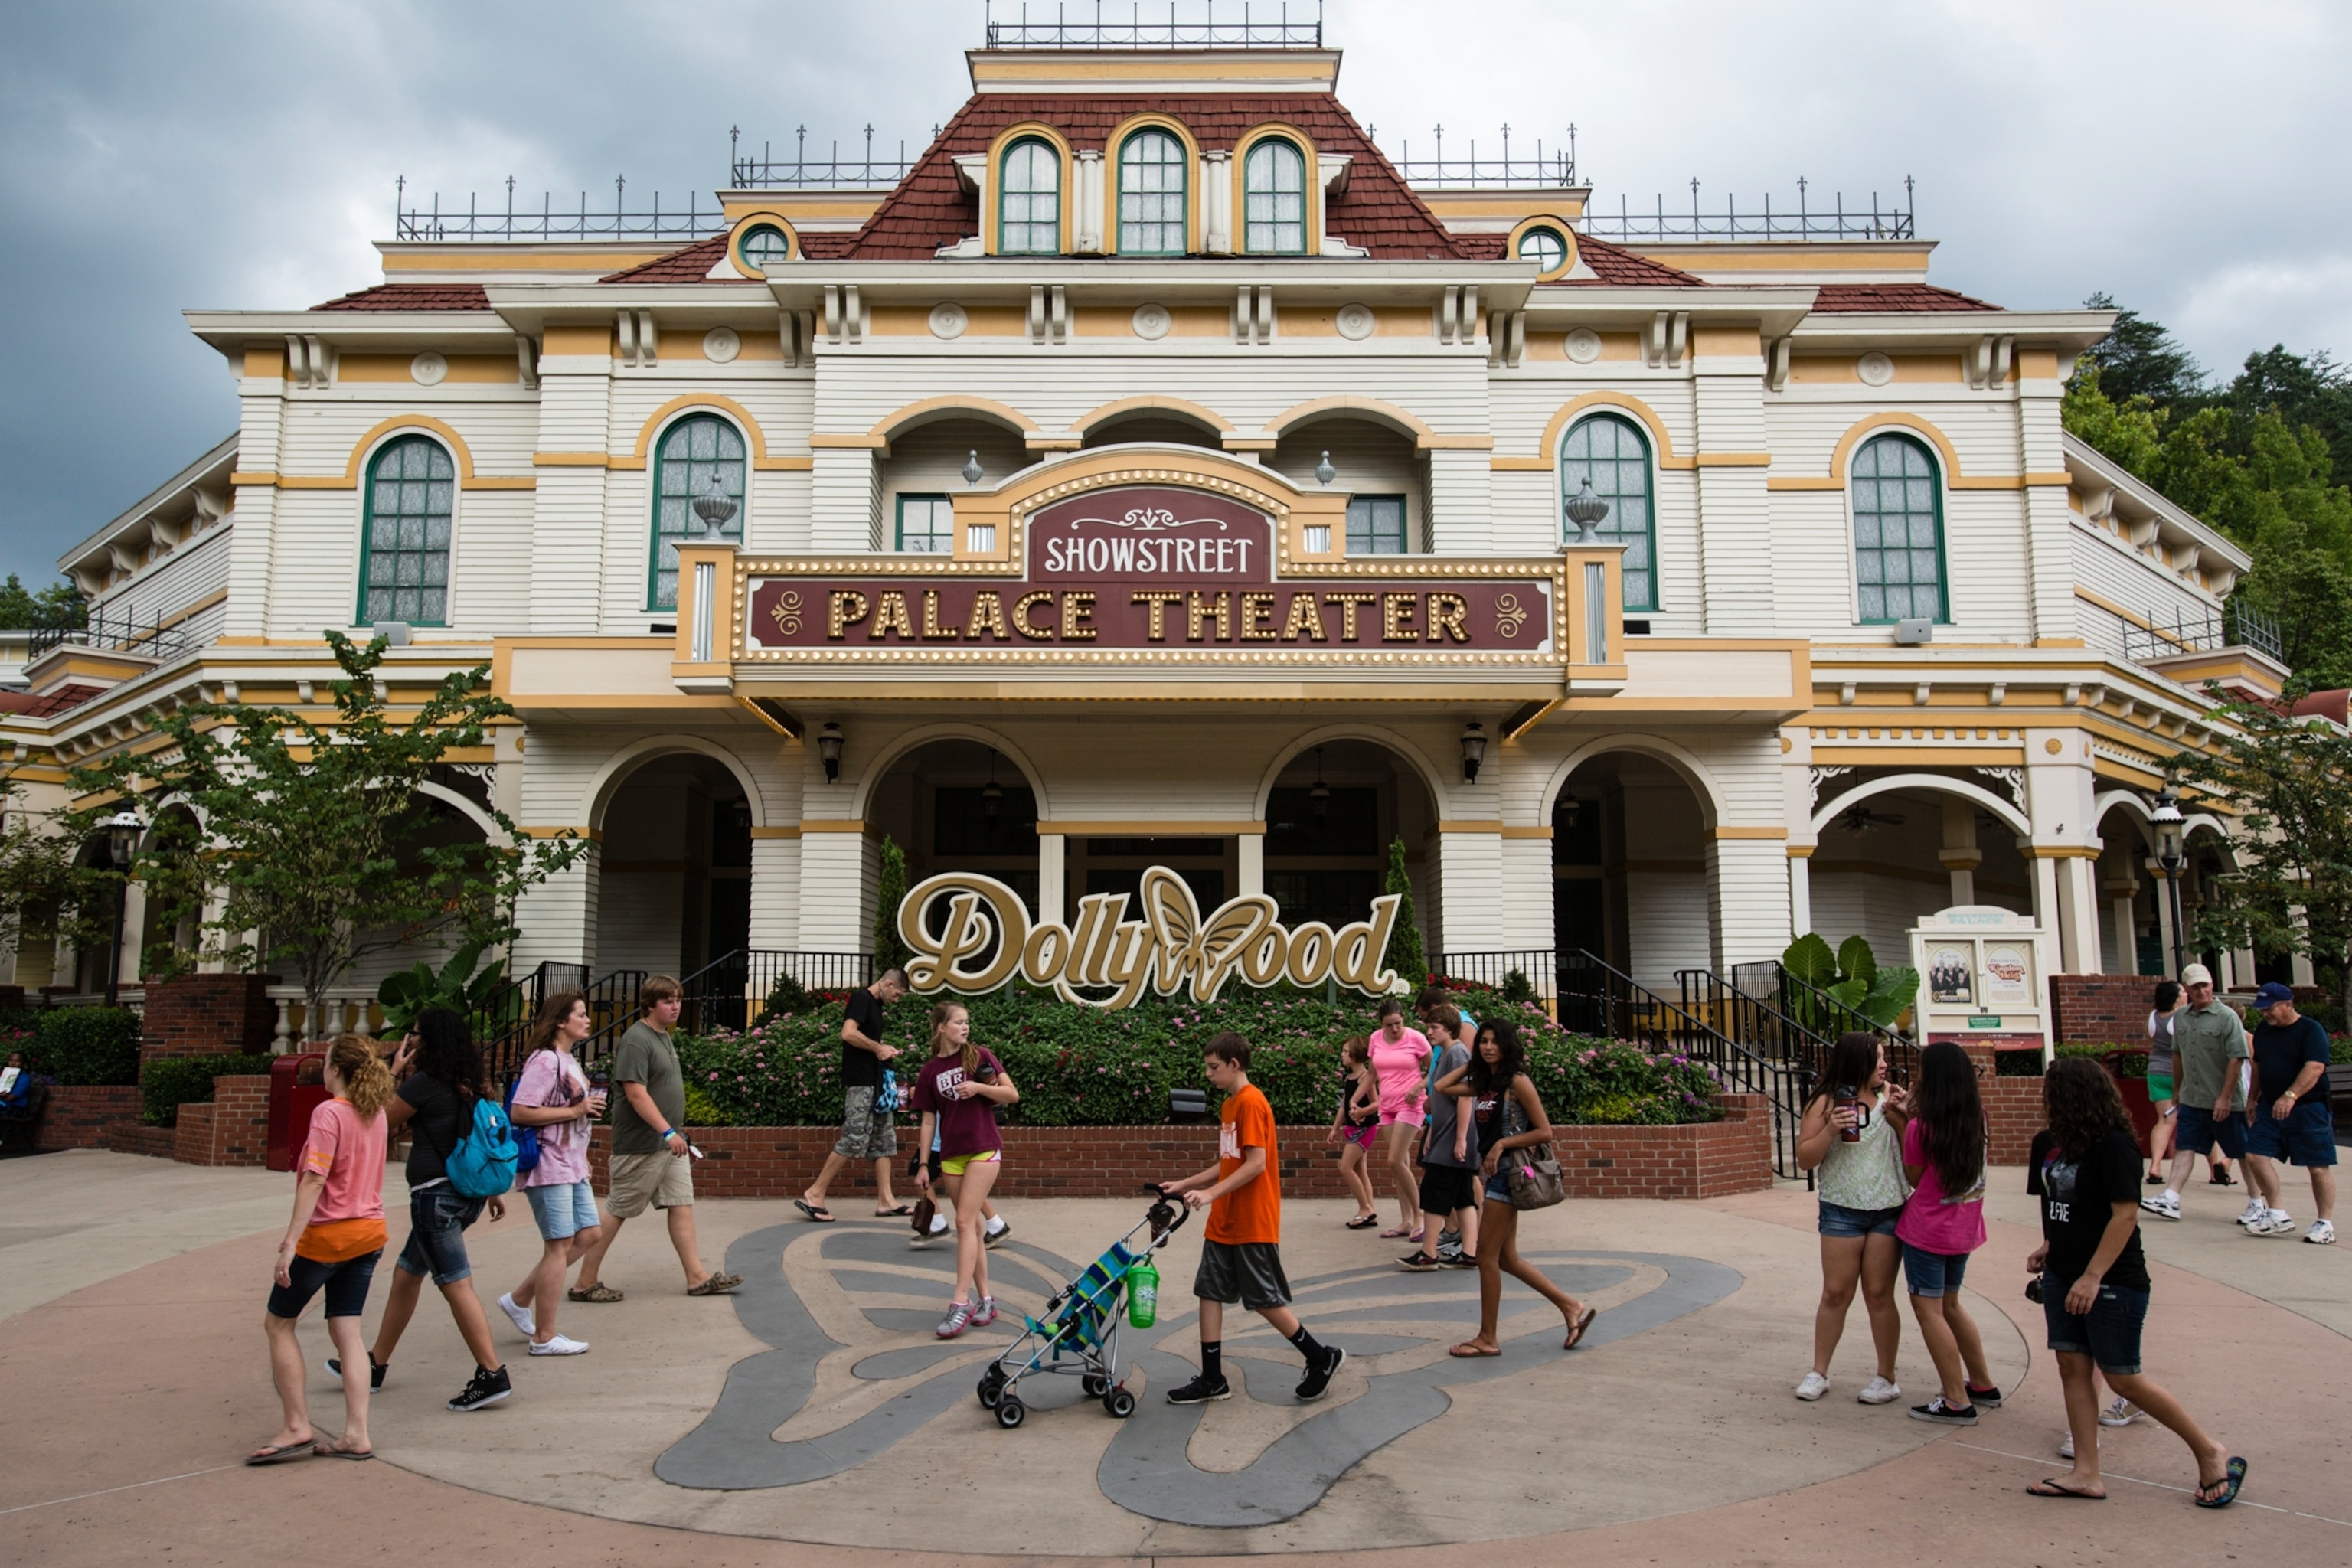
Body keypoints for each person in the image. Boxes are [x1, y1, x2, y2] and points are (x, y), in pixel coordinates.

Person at [2023, 1057, 2246, 1506]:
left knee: (2124, 1379)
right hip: (2064, 1273)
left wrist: (2092, 1275)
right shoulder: (2050, 1145)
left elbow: (2124, 1216)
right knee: (2072, 1368)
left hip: (2111, 1280)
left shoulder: (2115, 1146)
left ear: (2071, 1097)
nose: (2045, 1101)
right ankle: (2086, 1472)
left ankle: (2209, 1451)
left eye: (2052, 1093)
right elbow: (2058, 1204)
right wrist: (2050, 1245)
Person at [1157, 1032, 1347, 1403]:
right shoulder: (1230, 1106)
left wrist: (1210, 1194)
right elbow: (1229, 1162)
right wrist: (1185, 1184)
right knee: (1209, 1291)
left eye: (1213, 1068)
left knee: (1263, 1299)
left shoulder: (1251, 1103)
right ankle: (1213, 1378)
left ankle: (1321, 1357)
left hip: (1251, 1219)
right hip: (1224, 1220)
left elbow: (1256, 1164)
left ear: (1234, 1065)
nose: (1208, 1074)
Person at [354, 1008, 514, 1413]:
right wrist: (490, 1191)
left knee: (456, 1285)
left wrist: (392, 1071)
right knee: (407, 1276)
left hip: (434, 1200)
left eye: (417, 1034)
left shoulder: (424, 1083)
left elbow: (373, 1122)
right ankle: (375, 1364)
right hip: (464, 1197)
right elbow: (482, 1139)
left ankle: (492, 1373)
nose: (413, 1039)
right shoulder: (472, 1084)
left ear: (429, 1040)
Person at [251, 1036, 393, 1464]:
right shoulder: (376, 1113)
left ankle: (296, 1424)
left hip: (328, 1236)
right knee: (348, 1331)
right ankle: (356, 1433)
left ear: (337, 1069)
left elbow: (315, 1178)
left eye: (327, 1061)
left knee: (278, 1325)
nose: (323, 1068)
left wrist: (290, 1242)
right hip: (369, 1234)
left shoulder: (329, 1112)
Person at [571, 977, 741, 1299]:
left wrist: (674, 1134)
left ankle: (697, 1277)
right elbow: (636, 1094)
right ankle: (584, 1283)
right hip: (642, 1145)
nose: (675, 1006)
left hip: (670, 1144)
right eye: (667, 1001)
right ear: (650, 1005)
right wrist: (666, 1131)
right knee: (618, 1209)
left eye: (678, 999)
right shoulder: (637, 1040)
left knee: (681, 1204)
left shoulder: (664, 1037)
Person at [1440, 1019, 1596, 1356]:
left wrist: (1501, 1145)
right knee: (1507, 1259)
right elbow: (1442, 1087)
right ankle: (1570, 1306)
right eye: (1483, 1041)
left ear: (1508, 1045)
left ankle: (1488, 1338)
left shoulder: (1517, 1082)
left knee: (1485, 1256)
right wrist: (1473, 1062)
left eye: (1495, 1042)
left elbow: (1545, 1132)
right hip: (1496, 1174)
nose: (1488, 1047)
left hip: (1509, 1174)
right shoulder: (1486, 1084)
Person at [1792, 1031, 1912, 1404]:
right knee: (1835, 1293)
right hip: (1841, 1209)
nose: (1884, 1063)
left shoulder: (1891, 1098)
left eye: (1884, 1057)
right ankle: (1819, 1372)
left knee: (1879, 1294)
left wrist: (1904, 1119)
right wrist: (1831, 1128)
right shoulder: (1825, 1101)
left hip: (1888, 1209)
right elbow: (1805, 1158)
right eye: (1877, 1057)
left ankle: (1886, 1378)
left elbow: (1914, 1156)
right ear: (1857, 1060)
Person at [495, 991, 609, 1354]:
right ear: (560, 1021)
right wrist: (576, 1111)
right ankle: (544, 1336)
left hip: (571, 1162)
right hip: (548, 1163)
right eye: (579, 1014)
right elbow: (520, 1112)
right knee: (558, 1244)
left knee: (590, 1234)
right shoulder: (545, 1061)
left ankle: (519, 1299)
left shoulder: (567, 1060)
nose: (587, 1019)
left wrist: (581, 1122)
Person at [1896, 1040, 1999, 1425]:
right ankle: (1982, 1383)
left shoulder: (1921, 1129)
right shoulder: (1979, 1119)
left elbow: (1914, 1178)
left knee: (1929, 1311)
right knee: (1952, 1305)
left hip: (1926, 1233)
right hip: (1963, 1230)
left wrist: (1902, 1121)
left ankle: (1955, 1399)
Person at [910, 1001, 1018, 1336]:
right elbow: (928, 1121)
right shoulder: (929, 1072)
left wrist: (979, 1088)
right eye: (958, 1022)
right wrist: (925, 1163)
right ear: (942, 1027)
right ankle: (986, 1298)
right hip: (951, 1155)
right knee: (969, 1226)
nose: (965, 1027)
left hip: (984, 1148)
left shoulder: (980, 1056)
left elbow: (1011, 1095)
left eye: (967, 1022)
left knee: (961, 1221)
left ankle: (960, 1301)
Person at [2140, 964, 2250, 1224]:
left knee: (2242, 1151)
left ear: (2212, 985)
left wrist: (2225, 1097)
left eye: (2206, 985)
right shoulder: (2181, 1018)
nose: (2202, 991)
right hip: (2193, 1098)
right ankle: (2171, 1197)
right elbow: (2177, 1054)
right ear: (2186, 990)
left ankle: (2257, 1202)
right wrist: (2178, 1089)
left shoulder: (2227, 1017)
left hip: (2225, 1101)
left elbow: (2237, 1058)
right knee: (2185, 1146)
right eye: (2196, 987)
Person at [799, 967, 910, 1223]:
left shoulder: (875, 1004)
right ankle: (814, 1194)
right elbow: (848, 1033)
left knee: (884, 1138)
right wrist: (878, 1048)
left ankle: (886, 1201)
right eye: (898, 994)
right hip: (861, 1083)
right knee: (853, 1137)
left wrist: (883, 1050)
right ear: (889, 983)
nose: (897, 1000)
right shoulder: (862, 999)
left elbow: (867, 1042)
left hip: (876, 1082)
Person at [2240, 981, 2336, 1243]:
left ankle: (2324, 1223)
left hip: (2309, 1107)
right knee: (2255, 1154)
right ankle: (2277, 1213)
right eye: (2261, 1009)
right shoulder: (2263, 1031)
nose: (2265, 1014)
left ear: (2288, 1005)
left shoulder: (2310, 1030)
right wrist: (2252, 1098)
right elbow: (2258, 1067)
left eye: (2269, 1008)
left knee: (2317, 1167)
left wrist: (2290, 1096)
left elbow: (2315, 1068)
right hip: (2269, 1105)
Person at [1402, 1007, 1479, 1272]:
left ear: (1449, 1027)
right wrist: (1432, 1133)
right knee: (1462, 1196)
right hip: (1445, 1135)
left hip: (1452, 1141)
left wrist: (1460, 1140)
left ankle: (1428, 1252)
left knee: (1434, 1193)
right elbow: (1441, 1102)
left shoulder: (1457, 1053)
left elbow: (1466, 1097)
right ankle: (1469, 1252)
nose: (1429, 1031)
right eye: (1429, 1026)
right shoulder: (1448, 1053)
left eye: (1435, 1027)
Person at [1367, 999, 1432, 1242]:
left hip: (1411, 1103)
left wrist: (1419, 1086)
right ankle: (1405, 1220)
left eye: (1398, 1023)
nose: (1395, 1029)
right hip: (1387, 1106)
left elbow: (1435, 1068)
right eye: (1389, 1025)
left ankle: (1420, 1216)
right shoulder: (1376, 1039)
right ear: (1381, 1024)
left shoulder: (1415, 1038)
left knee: (1394, 1159)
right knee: (1398, 1163)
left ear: (1404, 1019)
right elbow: (1372, 1074)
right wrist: (1356, 1099)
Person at [1323, 1034, 1382, 1230]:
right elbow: (1343, 1107)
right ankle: (1370, 1211)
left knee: (1345, 1167)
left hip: (1364, 1129)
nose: (1342, 1054)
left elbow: (1376, 1103)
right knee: (1360, 1170)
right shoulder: (1350, 1078)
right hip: (1351, 1128)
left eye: (1346, 1051)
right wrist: (1335, 1128)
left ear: (1356, 1054)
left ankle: (1365, 1209)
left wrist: (1362, 1111)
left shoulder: (1366, 1078)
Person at [2144, 980, 2183, 1184]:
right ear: (2176, 998)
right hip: (2177, 1074)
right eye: (2183, 992)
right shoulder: (2180, 1018)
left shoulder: (2152, 1017)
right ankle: (2215, 1169)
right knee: (2199, 1118)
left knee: (2164, 1120)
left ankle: (2155, 1166)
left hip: (2155, 1072)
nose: (2186, 995)